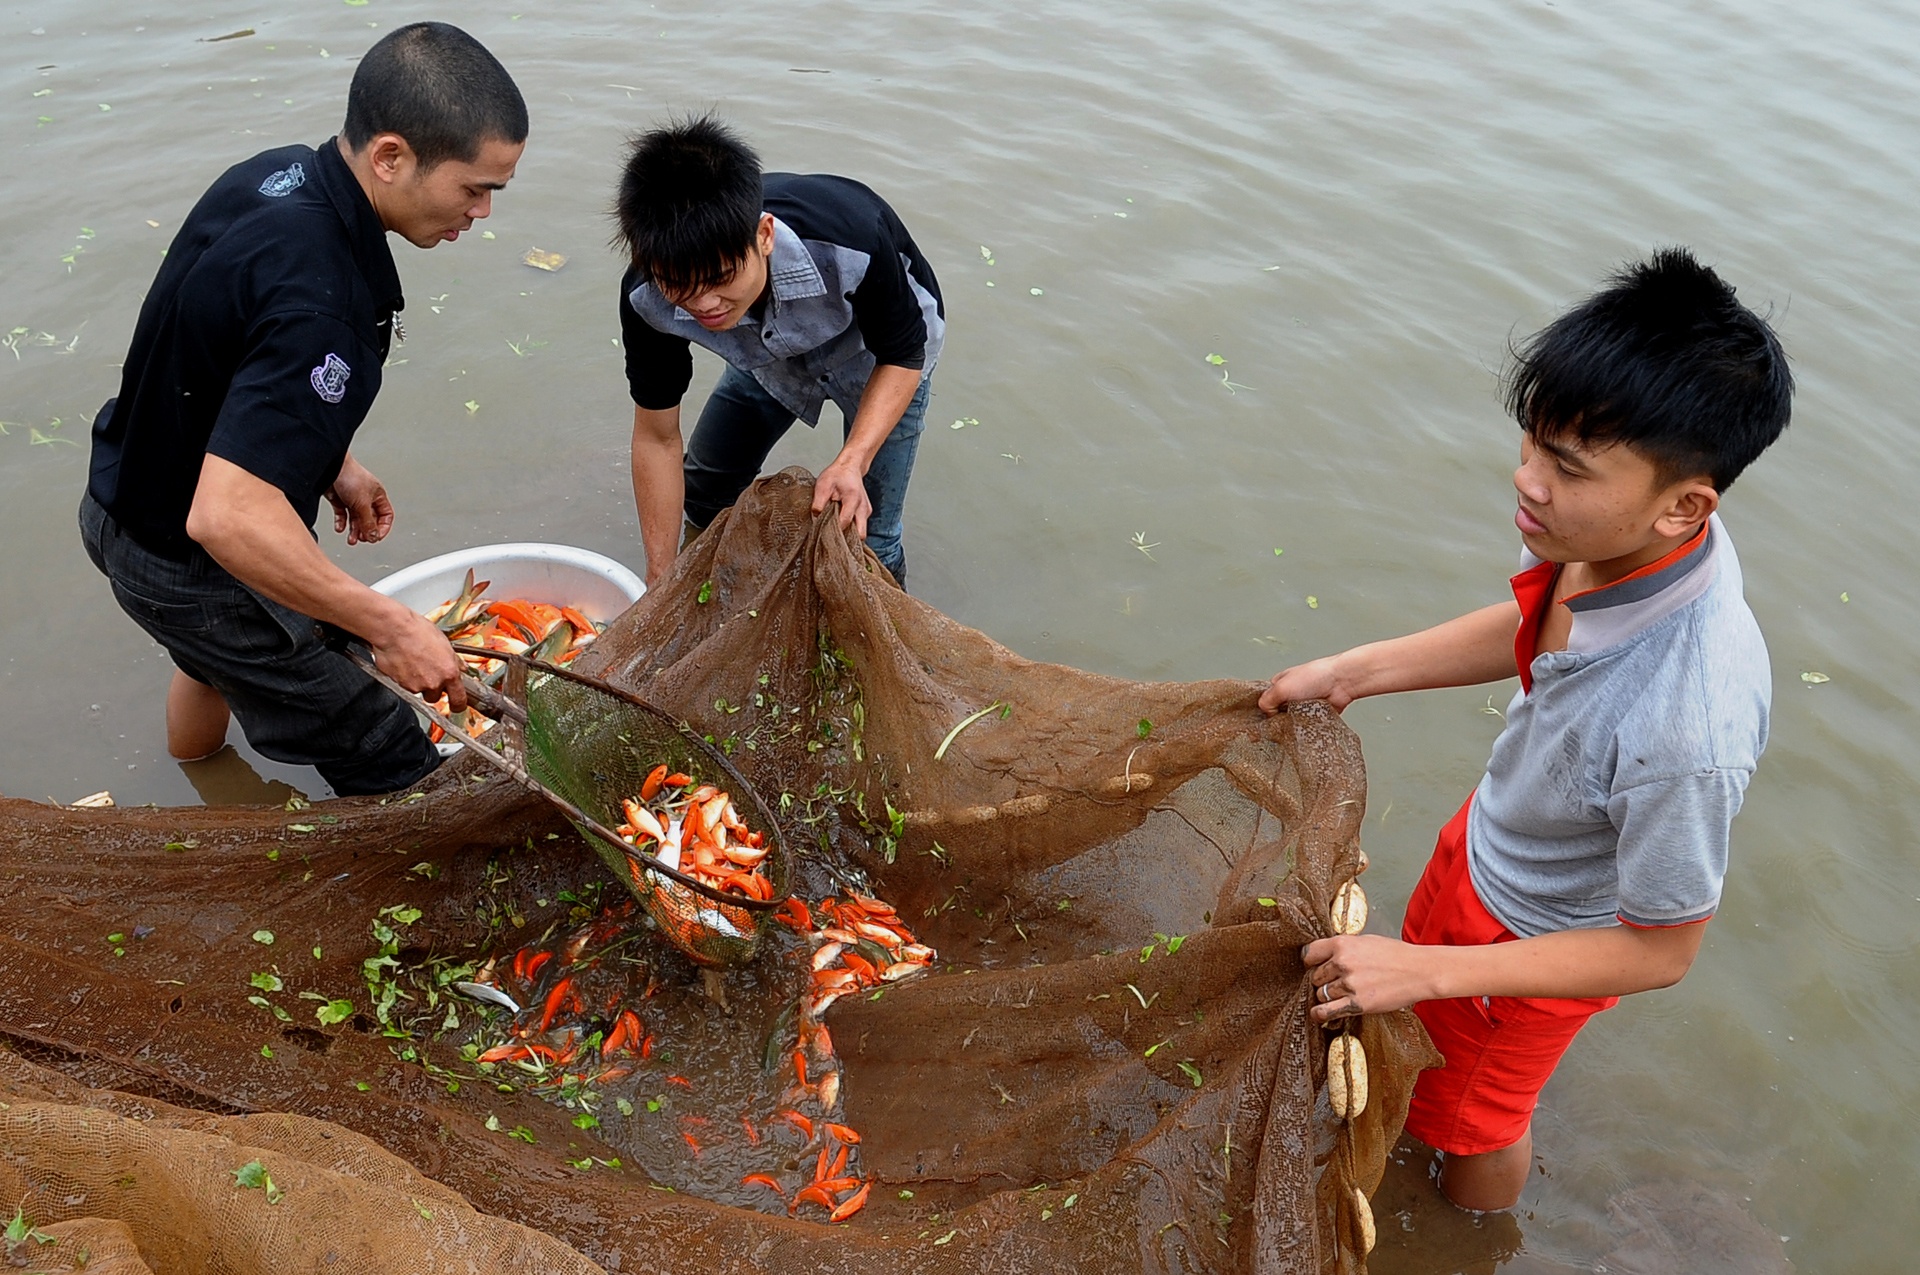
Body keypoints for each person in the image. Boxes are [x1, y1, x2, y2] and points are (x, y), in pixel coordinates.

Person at [1259, 249, 1791, 1211]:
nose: (1527, 481)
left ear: (1685, 507)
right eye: (1534, 445)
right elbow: (1535, 623)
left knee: (1477, 1121)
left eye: (1565, 468)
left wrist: (1431, 971)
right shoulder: (1602, 533)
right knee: (1418, 1059)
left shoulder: (1689, 722)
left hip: (1538, 949)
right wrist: (1355, 671)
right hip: (1486, 844)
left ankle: (1472, 1237)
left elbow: (1662, 950)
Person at [80, 22, 527, 796]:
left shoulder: (276, 175)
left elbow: (214, 350)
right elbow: (227, 518)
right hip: (194, 566)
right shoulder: (324, 307)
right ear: (390, 157)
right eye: (474, 188)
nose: (483, 212)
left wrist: (328, 460)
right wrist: (390, 625)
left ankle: (203, 787)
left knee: (206, 660)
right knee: (375, 734)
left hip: (119, 498)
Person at [614, 114, 943, 590]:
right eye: (679, 286)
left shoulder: (854, 239)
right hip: (767, 354)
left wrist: (851, 461)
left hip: (880, 359)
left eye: (720, 278)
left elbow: (904, 353)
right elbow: (656, 437)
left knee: (869, 533)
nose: (704, 305)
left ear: (764, 235)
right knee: (705, 490)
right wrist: (660, 574)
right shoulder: (647, 298)